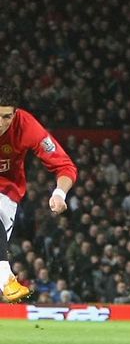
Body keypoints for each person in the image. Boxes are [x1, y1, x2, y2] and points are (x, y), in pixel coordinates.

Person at [0, 85, 77, 303]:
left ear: (15, 113)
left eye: (6, 117)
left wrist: (60, 193)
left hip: (6, 188)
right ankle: (6, 280)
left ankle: (5, 280)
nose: (1, 124)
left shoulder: (26, 126)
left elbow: (65, 166)